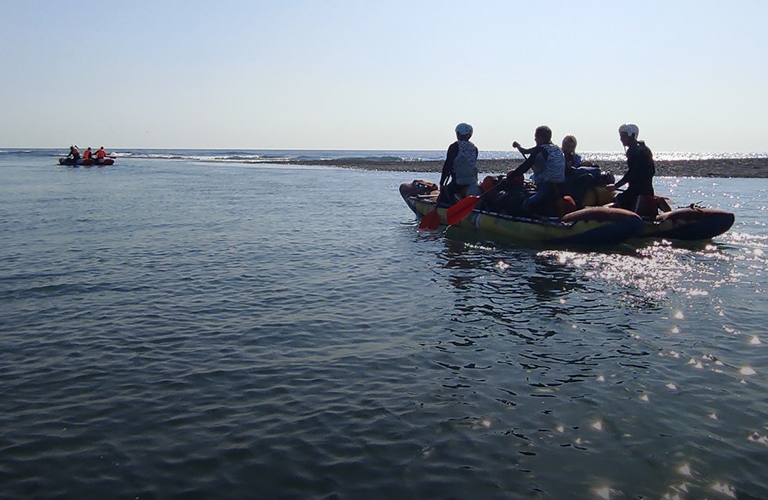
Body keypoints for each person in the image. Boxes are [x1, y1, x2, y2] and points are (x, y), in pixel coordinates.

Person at [507, 125, 566, 214]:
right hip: (561, 184)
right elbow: (525, 151)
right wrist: (518, 146)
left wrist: (511, 176)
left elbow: (525, 166)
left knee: (526, 204)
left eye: (536, 137)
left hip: (547, 185)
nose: (535, 139)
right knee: (532, 177)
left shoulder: (540, 150)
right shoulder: (557, 149)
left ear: (540, 138)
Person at [607, 124, 655, 213]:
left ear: (632, 135)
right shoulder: (645, 148)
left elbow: (632, 173)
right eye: (621, 136)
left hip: (636, 192)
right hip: (648, 190)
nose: (621, 139)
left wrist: (616, 186)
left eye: (624, 136)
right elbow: (652, 171)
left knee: (618, 199)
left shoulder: (633, 150)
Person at [438, 123, 480, 204]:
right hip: (472, 182)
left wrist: (441, 183)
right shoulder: (474, 148)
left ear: (458, 134)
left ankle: (454, 199)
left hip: (457, 183)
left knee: (442, 199)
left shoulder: (454, 146)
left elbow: (448, 165)